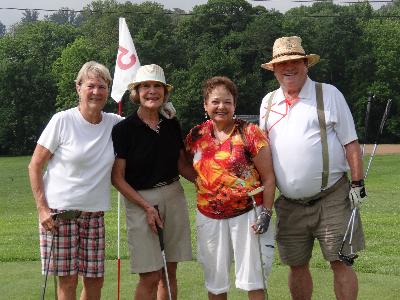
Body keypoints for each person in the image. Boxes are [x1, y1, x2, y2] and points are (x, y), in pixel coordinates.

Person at [259, 36, 367, 300]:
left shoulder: (329, 94)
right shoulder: (268, 102)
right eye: (282, 63)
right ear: (274, 69)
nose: (289, 67)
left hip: (331, 198)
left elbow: (350, 143)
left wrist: (357, 183)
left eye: (295, 61)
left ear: (306, 64)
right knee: (296, 265)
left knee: (340, 261)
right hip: (289, 204)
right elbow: (261, 152)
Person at [28, 61, 123, 300]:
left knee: (95, 281)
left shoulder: (115, 123)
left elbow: (145, 124)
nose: (96, 92)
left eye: (102, 87)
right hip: (60, 215)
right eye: (90, 86)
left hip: (94, 215)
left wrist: (165, 111)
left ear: (108, 90)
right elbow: (35, 165)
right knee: (67, 282)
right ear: (78, 87)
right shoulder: (62, 120)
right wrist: (42, 209)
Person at [185, 76, 276, 300]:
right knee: (216, 283)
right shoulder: (196, 135)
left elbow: (269, 177)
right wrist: (200, 181)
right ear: (205, 105)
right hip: (209, 216)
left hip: (248, 215)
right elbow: (182, 161)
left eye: (227, 101)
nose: (221, 107)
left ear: (234, 104)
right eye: (215, 101)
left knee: (254, 281)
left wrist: (266, 212)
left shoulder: (250, 132)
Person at [111, 64, 195, 300]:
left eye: (157, 86)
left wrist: (212, 184)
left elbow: (182, 165)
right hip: (141, 200)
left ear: (164, 92)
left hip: (174, 195)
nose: (152, 91)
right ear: (136, 92)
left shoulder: (171, 124)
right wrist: (146, 207)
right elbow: (117, 178)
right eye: (145, 86)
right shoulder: (124, 129)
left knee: (169, 272)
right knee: (150, 275)